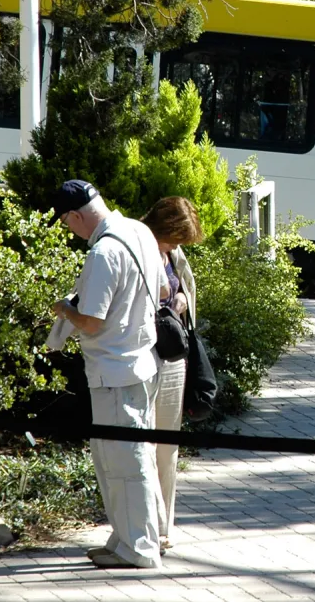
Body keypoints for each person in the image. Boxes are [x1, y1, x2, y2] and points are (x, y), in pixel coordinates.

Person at [49, 179, 167, 569]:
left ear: (76, 215)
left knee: (123, 465)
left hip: (115, 371)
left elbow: (92, 322)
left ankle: (139, 549)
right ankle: (127, 540)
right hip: (143, 363)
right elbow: (163, 290)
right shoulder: (140, 230)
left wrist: (65, 309)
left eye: (66, 223)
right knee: (134, 459)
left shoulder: (103, 252)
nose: (70, 230)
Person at [140, 196, 204, 551]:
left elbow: (187, 293)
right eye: (174, 238)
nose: (176, 246)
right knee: (144, 448)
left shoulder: (173, 254)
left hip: (174, 357)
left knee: (168, 448)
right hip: (145, 356)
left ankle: (164, 527)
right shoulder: (138, 245)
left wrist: (182, 303)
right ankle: (146, 524)